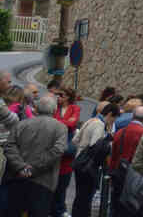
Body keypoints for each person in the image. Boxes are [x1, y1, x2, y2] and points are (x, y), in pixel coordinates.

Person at [4, 95, 69, 217]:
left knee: (14, 212)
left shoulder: (21, 124)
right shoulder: (60, 128)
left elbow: (9, 146)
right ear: (54, 110)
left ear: (36, 109)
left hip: (18, 177)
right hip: (44, 181)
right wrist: (34, 168)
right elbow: (58, 151)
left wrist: (21, 167)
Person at [71, 102, 114, 217]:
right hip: (88, 166)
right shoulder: (100, 125)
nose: (112, 122)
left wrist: (81, 149)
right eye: (113, 119)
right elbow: (96, 146)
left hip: (78, 161)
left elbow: (75, 140)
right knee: (86, 197)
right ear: (110, 114)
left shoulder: (91, 120)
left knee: (79, 195)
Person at [108, 105, 143, 216]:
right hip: (136, 177)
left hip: (119, 174)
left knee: (117, 207)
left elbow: (113, 155)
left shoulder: (120, 132)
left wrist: (111, 171)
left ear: (133, 116)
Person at [50, 88, 80, 217]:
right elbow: (67, 124)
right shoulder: (53, 108)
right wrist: (64, 123)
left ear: (68, 97)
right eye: (57, 95)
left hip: (67, 150)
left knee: (63, 183)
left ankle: (60, 209)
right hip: (54, 145)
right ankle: (53, 209)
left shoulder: (75, 108)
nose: (58, 97)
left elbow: (72, 124)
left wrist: (56, 122)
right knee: (51, 182)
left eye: (61, 95)